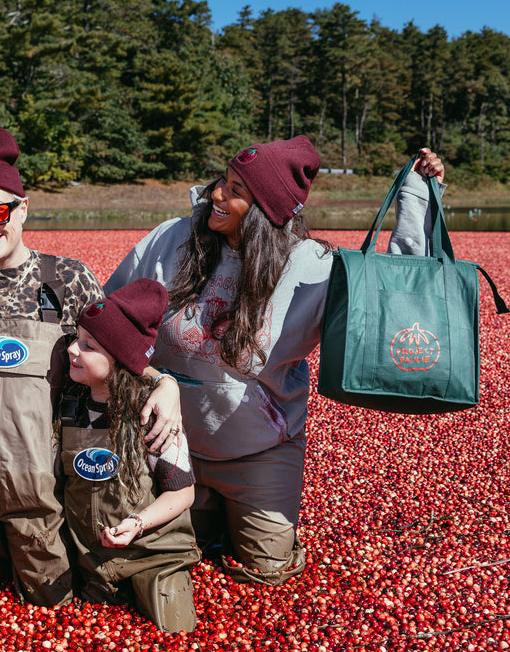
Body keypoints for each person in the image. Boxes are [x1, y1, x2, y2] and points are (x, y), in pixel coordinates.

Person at [105, 136, 445, 585]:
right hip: (165, 445)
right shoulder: (173, 239)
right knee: (159, 558)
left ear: (269, 212)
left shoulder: (313, 267)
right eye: (222, 182)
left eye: (237, 191)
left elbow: (398, 291)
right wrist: (154, 380)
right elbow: (109, 320)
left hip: (258, 450)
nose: (216, 195)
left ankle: (238, 517)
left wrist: (417, 196)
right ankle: (205, 514)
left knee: (266, 571)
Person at [0, 127, 182, 607]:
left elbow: (117, 351)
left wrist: (163, 382)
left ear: (22, 208)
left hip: (39, 470)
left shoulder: (65, 279)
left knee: (51, 596)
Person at [58, 278, 201, 633]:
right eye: (77, 338)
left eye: (88, 346)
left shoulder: (154, 414)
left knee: (173, 630)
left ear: (120, 361)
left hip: (153, 552)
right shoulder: (67, 402)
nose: (73, 350)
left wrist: (137, 524)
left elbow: (183, 490)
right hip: (92, 555)